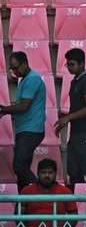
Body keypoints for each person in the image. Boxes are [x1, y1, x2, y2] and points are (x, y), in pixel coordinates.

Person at [0, 51, 47, 189]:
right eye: (11, 68)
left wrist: (4, 110)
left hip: (31, 130)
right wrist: (5, 109)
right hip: (25, 129)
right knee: (22, 172)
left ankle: (44, 192)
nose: (14, 71)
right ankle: (23, 206)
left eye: (16, 68)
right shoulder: (25, 79)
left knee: (19, 166)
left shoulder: (32, 79)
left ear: (25, 64)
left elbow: (24, 106)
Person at [55, 48, 86, 185]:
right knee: (73, 170)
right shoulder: (75, 81)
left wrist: (68, 118)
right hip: (77, 131)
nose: (69, 67)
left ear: (82, 64)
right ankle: (77, 204)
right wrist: (65, 120)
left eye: (72, 64)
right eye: (67, 64)